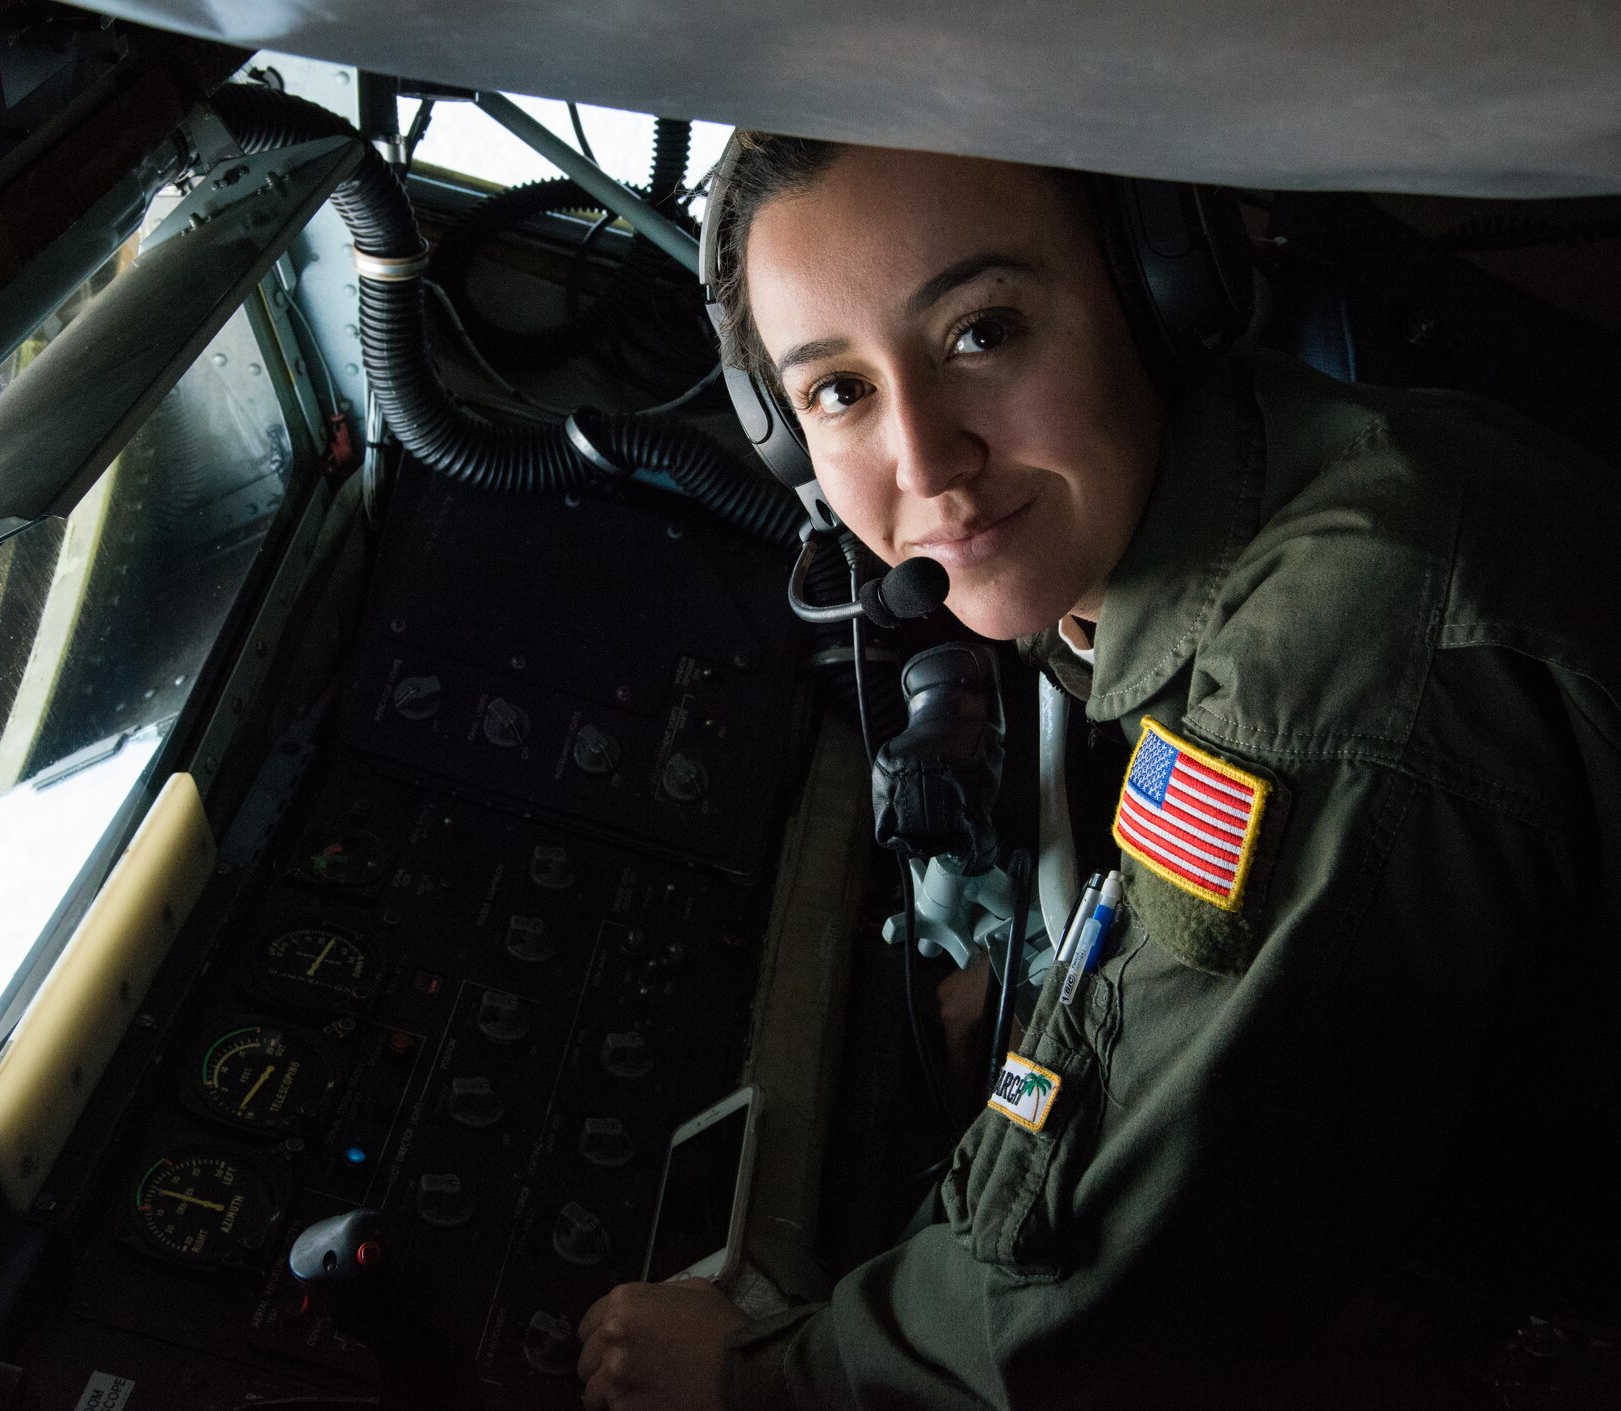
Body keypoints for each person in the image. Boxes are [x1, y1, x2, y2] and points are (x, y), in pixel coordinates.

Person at [575, 136, 1621, 1410]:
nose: (924, 462)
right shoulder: (1295, 477)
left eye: (981, 332)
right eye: (838, 392)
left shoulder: (1326, 664)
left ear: (1149, 289)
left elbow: (1095, 1330)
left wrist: (763, 1374)